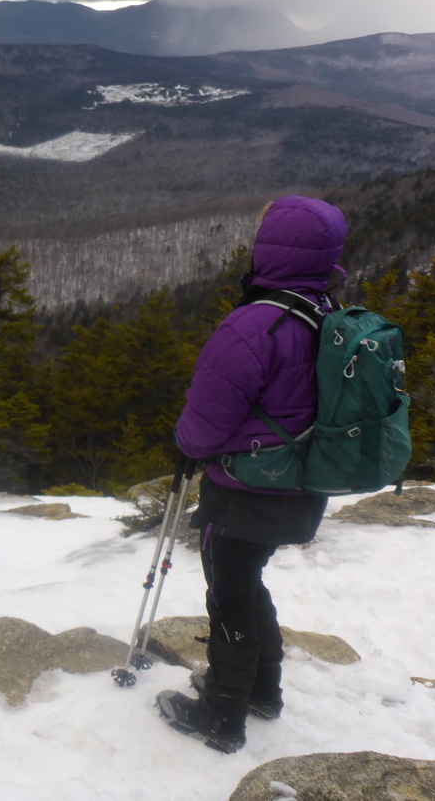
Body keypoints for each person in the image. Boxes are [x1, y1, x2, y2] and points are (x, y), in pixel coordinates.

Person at [157, 195, 347, 753]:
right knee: (247, 581)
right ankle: (262, 690)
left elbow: (204, 425)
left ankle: (221, 715)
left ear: (271, 246)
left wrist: (184, 444)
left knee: (231, 595)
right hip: (304, 486)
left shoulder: (254, 326)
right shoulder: (331, 318)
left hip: (245, 491)